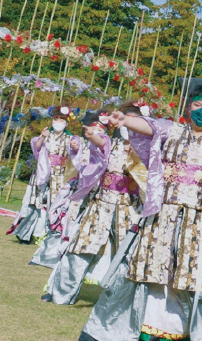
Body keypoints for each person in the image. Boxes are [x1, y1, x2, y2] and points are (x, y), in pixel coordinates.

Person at [78, 85, 202, 341]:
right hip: (163, 214)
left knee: (200, 278)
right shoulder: (172, 130)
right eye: (197, 105)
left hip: (200, 219)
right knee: (139, 268)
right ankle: (104, 327)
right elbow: (148, 125)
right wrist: (124, 119)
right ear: (188, 107)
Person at [42, 108, 143, 305]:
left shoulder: (148, 149)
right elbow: (100, 143)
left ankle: (118, 303)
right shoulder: (111, 144)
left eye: (133, 120)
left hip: (129, 209)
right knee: (81, 248)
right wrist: (92, 137)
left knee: (127, 255)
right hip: (101, 205)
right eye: (125, 120)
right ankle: (61, 293)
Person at [9, 105, 81, 245]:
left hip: (59, 176)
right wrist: (42, 137)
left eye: (62, 119)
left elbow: (76, 152)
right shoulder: (46, 135)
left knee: (54, 205)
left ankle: (48, 236)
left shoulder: (71, 138)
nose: (58, 122)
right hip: (42, 173)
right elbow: (36, 147)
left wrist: (75, 148)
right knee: (35, 203)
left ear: (67, 122)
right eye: (56, 119)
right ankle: (25, 233)